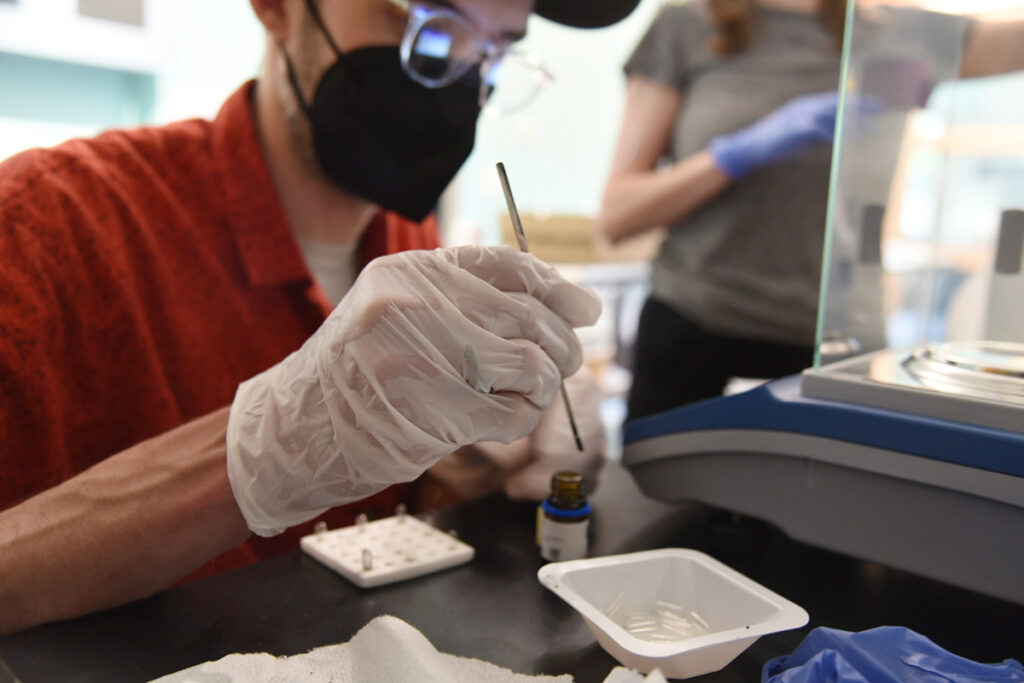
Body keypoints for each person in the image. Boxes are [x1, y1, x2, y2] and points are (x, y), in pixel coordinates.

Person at [0, 0, 639, 635]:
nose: (460, 79)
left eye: (494, 50)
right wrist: (261, 450)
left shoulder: (409, 243)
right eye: (428, 25)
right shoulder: (43, 229)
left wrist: (471, 458)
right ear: (277, 8)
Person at [596, 0, 1024, 421]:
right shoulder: (688, 24)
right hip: (696, 335)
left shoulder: (902, 34)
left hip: (843, 350)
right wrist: (732, 156)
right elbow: (618, 216)